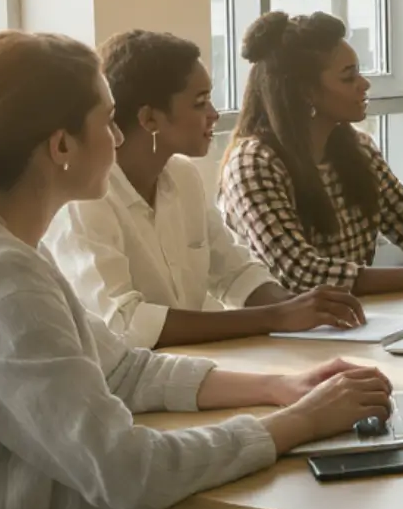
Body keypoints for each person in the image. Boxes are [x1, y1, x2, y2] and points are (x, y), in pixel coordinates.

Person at [0, 29, 394, 509]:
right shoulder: (9, 283)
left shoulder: (20, 256)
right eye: (103, 121)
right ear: (60, 147)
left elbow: (124, 369)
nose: (116, 139)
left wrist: (277, 387)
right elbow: (128, 473)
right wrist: (291, 423)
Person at [46, 30, 367, 347]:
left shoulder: (183, 176)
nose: (213, 114)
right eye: (200, 103)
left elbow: (236, 273)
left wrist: (302, 309)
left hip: (196, 370)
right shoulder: (85, 200)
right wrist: (276, 317)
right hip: (131, 390)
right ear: (149, 119)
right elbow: (126, 323)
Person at [219, 11, 403, 294]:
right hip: (284, 333)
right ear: (306, 92)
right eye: (348, 77)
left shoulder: (358, 149)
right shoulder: (254, 164)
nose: (364, 84)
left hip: (356, 323)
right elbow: (302, 273)